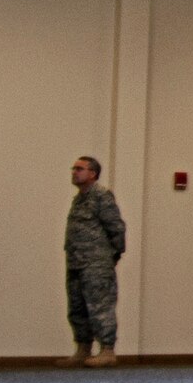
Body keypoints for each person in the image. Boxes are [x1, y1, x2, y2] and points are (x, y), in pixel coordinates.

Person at [58, 156, 126, 368]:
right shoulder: (79, 199)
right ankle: (83, 349)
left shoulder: (101, 196)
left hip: (96, 263)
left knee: (100, 307)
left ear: (92, 174)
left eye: (80, 169)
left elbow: (116, 228)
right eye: (74, 168)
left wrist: (110, 256)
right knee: (77, 308)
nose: (74, 172)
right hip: (76, 262)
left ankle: (107, 350)